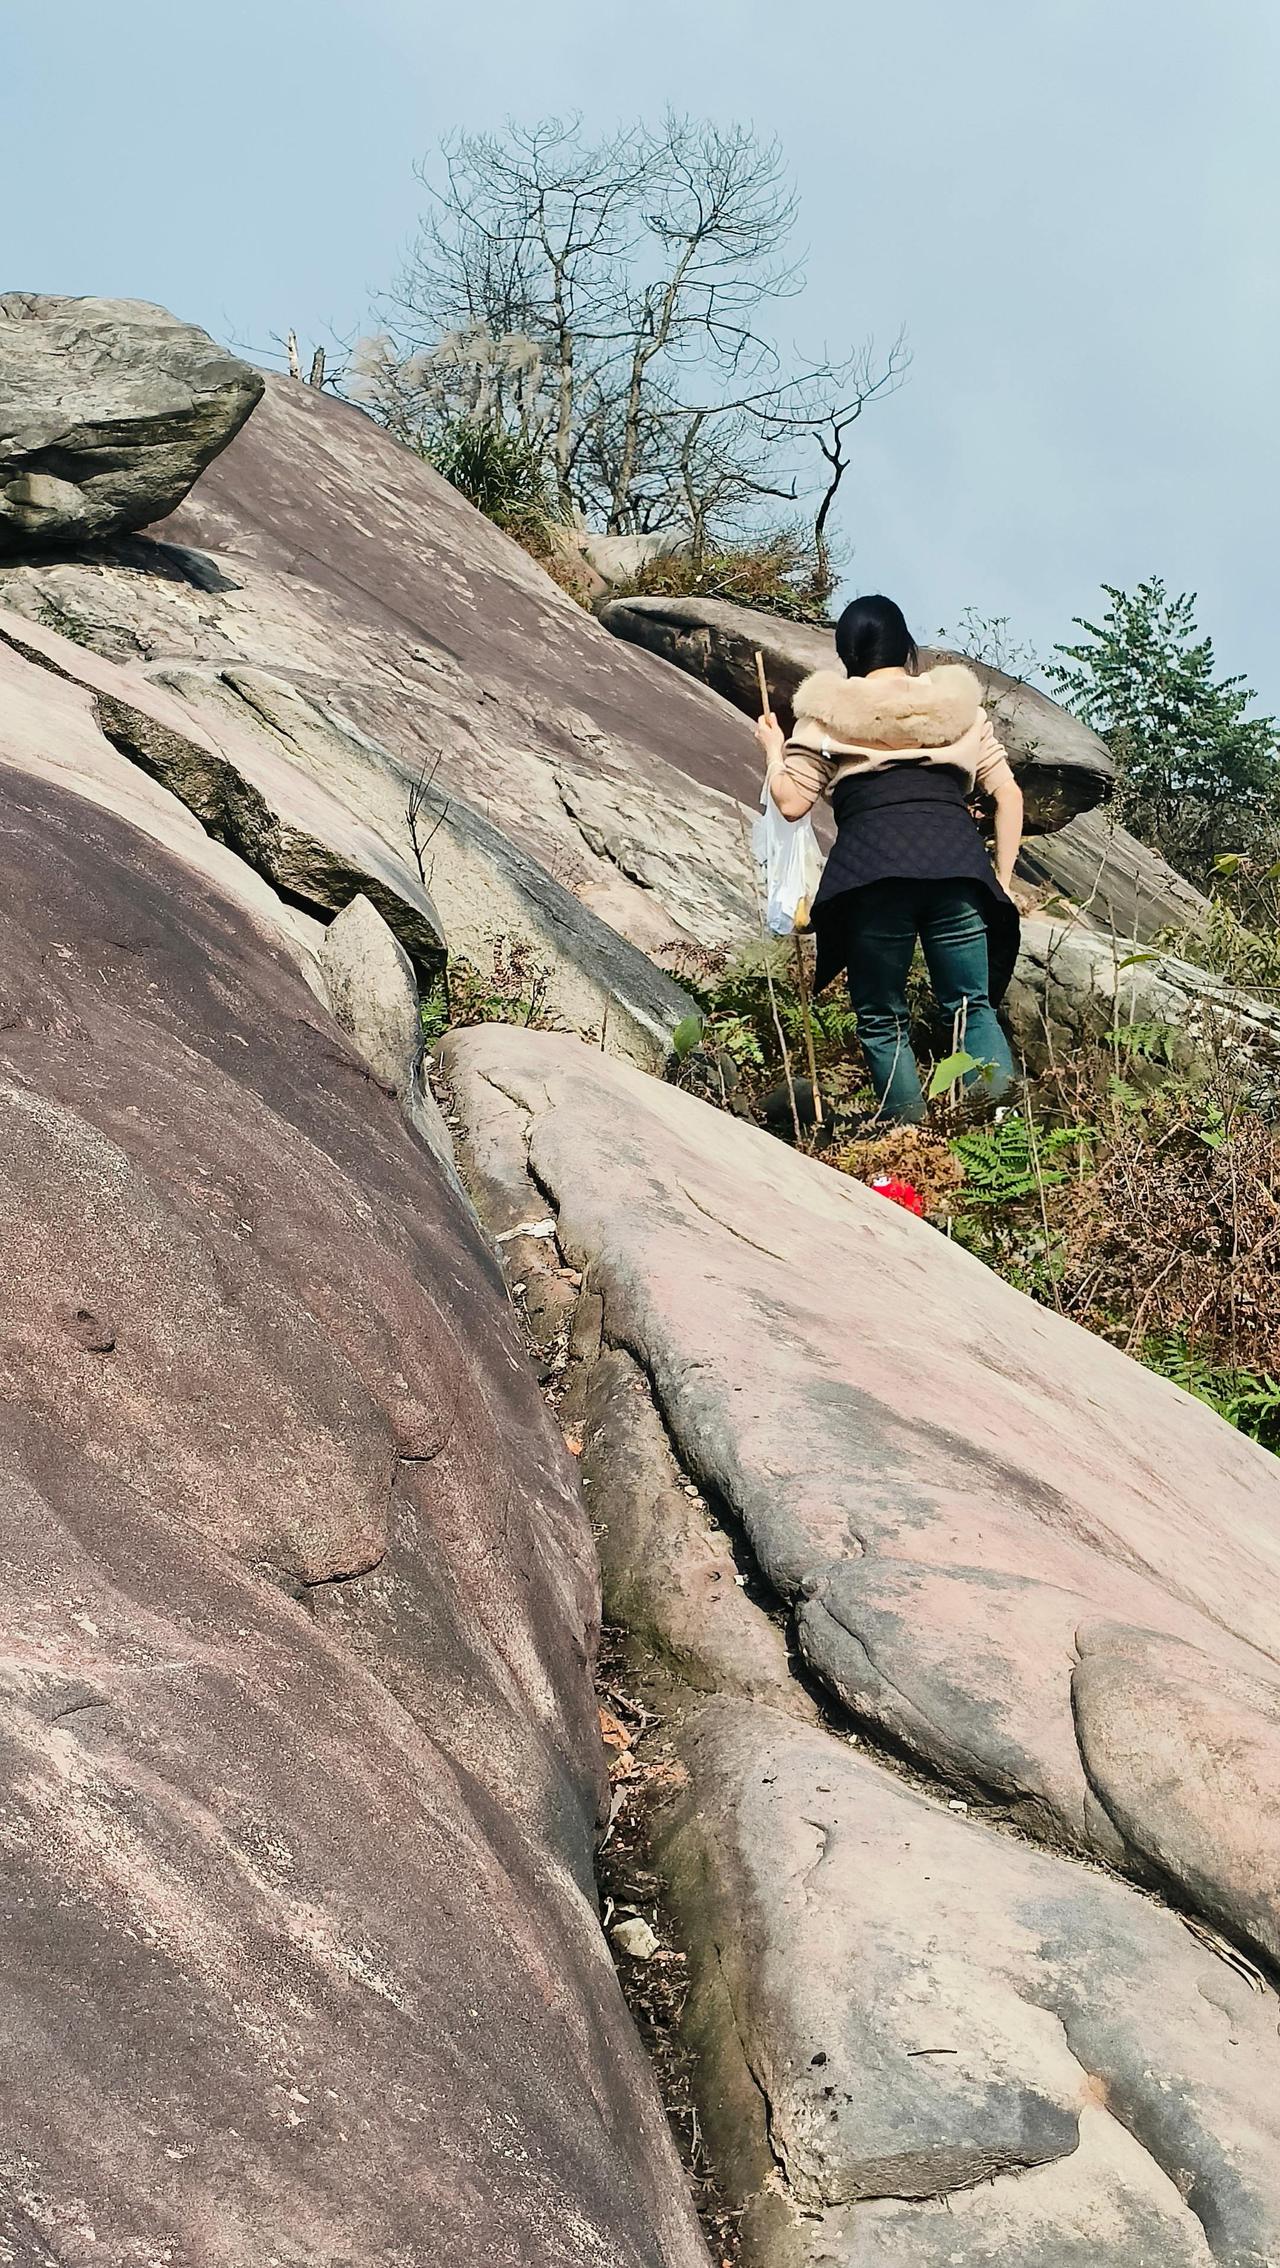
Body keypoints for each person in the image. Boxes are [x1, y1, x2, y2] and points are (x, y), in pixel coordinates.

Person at [756, 594, 1023, 1126]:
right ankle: (999, 1140)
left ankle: (910, 1143)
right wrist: (1004, 879)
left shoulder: (827, 713)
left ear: (846, 652)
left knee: (881, 1018)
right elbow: (1008, 794)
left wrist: (773, 747)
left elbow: (790, 804)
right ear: (905, 645)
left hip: (870, 874)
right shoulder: (958, 707)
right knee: (970, 1005)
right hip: (954, 865)